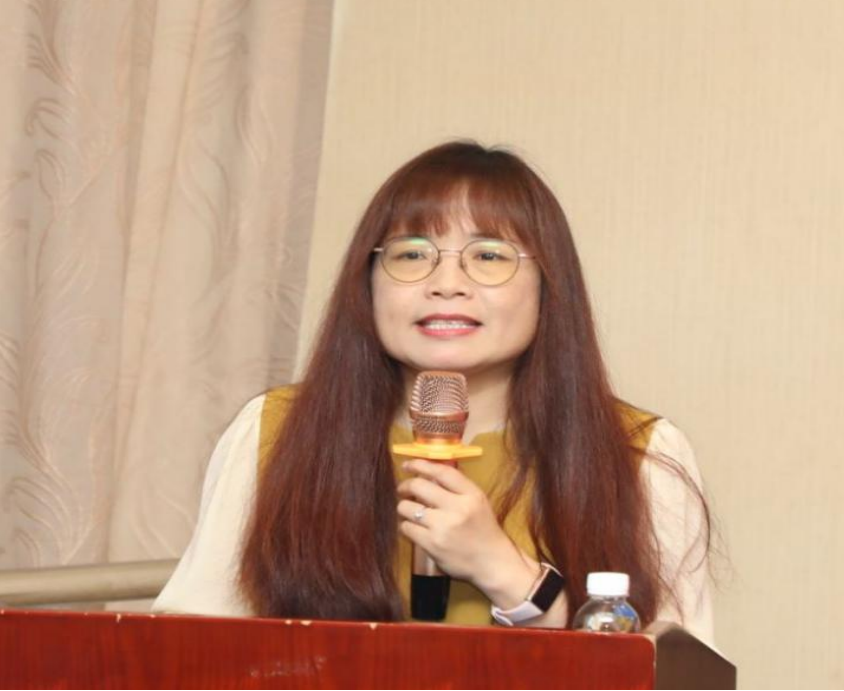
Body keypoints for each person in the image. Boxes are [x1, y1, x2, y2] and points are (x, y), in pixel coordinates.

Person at [152, 141, 715, 645]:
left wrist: (505, 573)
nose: (446, 283)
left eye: (489, 256)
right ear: (367, 283)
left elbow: (679, 677)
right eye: (412, 254)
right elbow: (187, 652)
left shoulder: (640, 452)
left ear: (549, 287)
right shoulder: (275, 429)